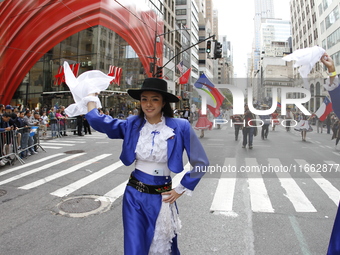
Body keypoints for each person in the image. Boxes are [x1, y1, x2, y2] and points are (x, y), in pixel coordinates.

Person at [73, 78, 209, 255]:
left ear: (163, 102)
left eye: (154, 99)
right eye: (144, 99)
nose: (148, 104)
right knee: (134, 248)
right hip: (134, 196)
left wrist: (181, 188)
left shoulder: (181, 127)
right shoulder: (132, 124)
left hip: (163, 196)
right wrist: (91, 97)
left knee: (162, 247)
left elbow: (201, 162)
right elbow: (102, 123)